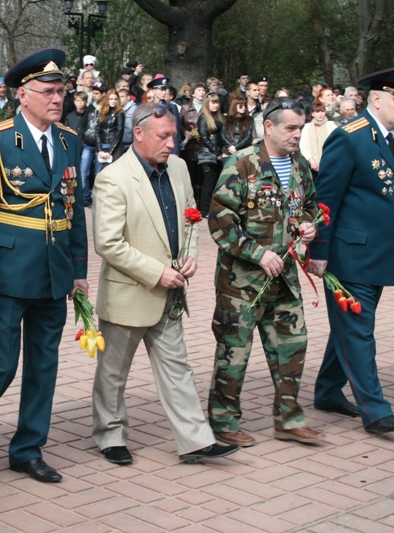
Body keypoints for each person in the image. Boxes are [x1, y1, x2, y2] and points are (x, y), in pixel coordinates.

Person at [0, 48, 88, 483]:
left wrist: (79, 267)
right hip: (9, 272)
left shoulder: (69, 140)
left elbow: (74, 208)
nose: (57, 99)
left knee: (43, 367)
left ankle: (28, 448)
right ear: (22, 95)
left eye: (61, 91)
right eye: (48, 92)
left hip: (53, 271)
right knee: (0, 364)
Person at [91, 102, 239, 465]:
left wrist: (191, 255)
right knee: (114, 371)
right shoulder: (113, 177)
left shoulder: (178, 168)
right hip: (131, 291)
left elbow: (190, 216)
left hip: (171, 291)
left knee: (178, 367)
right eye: (164, 136)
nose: (172, 143)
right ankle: (110, 434)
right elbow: (108, 243)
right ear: (138, 133)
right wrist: (157, 272)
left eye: (174, 135)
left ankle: (195, 439)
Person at [308, 66, 394, 435]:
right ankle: (376, 410)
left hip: (382, 254)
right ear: (376, 99)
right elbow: (327, 200)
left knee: (350, 326)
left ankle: (327, 391)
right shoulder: (349, 138)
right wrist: (320, 251)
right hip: (349, 255)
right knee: (359, 330)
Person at [208, 98, 324, 447]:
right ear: (269, 127)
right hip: (242, 283)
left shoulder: (300, 165)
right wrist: (257, 254)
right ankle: (224, 421)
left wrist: (308, 226)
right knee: (234, 351)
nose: (297, 135)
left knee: (293, 345)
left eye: (300, 128)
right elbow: (220, 219)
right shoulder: (242, 164)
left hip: (285, 279)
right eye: (290, 128)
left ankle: (288, 419)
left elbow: (308, 206)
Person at [197, 92, 224, 217]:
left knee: (215, 183)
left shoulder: (217, 117)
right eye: (213, 103)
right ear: (207, 104)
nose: (215, 105)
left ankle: (212, 208)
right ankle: (204, 210)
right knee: (208, 184)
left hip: (216, 154)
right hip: (207, 155)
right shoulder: (203, 118)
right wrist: (216, 151)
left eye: (217, 102)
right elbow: (204, 138)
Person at [299, 101, 336, 177]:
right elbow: (303, 146)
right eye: (317, 111)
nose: (320, 114)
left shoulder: (331, 126)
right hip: (311, 166)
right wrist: (311, 161)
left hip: (330, 164)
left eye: (322, 111)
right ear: (313, 114)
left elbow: (335, 145)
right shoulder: (307, 127)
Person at [96, 89, 124, 167]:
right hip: (103, 145)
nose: (113, 101)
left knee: (115, 169)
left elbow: (119, 132)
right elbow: (97, 130)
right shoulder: (102, 112)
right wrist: (99, 149)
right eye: (111, 99)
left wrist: (110, 151)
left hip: (115, 146)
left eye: (115, 99)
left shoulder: (120, 113)